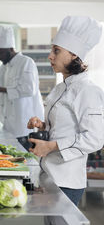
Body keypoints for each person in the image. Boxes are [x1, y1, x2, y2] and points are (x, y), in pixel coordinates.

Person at [27, 16, 104, 206]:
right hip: (48, 173)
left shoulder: (88, 92)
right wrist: (42, 125)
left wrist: (52, 146)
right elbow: (63, 127)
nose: (50, 56)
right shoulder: (60, 88)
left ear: (74, 55)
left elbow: (95, 138)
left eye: (56, 51)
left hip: (66, 181)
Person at [0, 25, 44, 137]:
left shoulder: (26, 62)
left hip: (24, 122)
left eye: (1, 52)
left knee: (23, 152)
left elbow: (29, 89)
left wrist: (2, 89)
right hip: (8, 122)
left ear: (11, 49)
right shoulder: (4, 67)